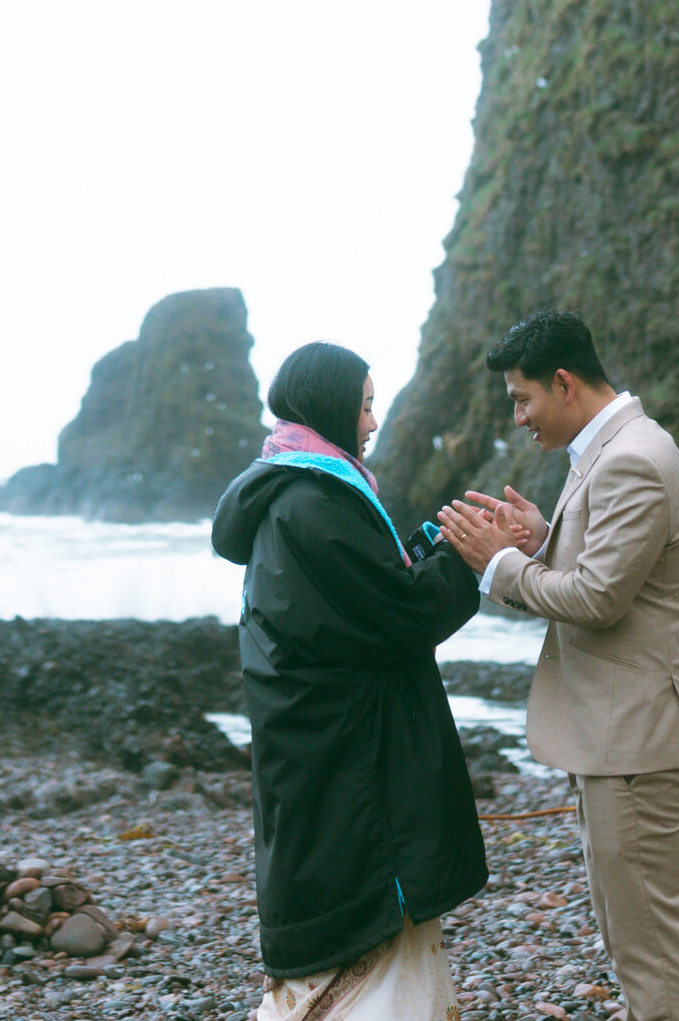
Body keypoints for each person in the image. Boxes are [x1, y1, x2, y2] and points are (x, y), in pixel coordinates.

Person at [437, 309, 679, 1021]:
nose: (521, 417)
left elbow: (598, 597)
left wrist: (500, 566)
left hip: (635, 740)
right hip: (620, 737)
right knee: (634, 938)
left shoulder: (631, 458)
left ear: (563, 383)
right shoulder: (613, 448)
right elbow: (605, 572)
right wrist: (540, 541)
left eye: (523, 398)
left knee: (647, 945)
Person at [212, 340, 487, 1020]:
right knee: (370, 946)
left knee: (348, 941)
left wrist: (432, 548)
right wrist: (471, 558)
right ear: (331, 406)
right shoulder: (314, 501)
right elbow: (398, 613)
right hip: (352, 765)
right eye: (364, 406)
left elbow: (362, 595)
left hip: (314, 753)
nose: (370, 422)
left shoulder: (289, 490)